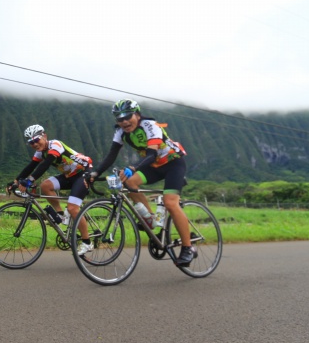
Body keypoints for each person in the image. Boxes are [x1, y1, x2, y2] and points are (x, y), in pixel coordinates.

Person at [87, 99, 196, 266]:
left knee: (170, 203)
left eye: (127, 116)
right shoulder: (120, 132)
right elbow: (111, 156)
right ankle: (150, 219)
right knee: (128, 182)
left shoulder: (150, 125)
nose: (123, 121)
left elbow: (152, 154)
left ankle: (188, 247)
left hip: (173, 163)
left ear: (137, 115)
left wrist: (133, 167)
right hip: (154, 166)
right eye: (119, 118)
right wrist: (95, 173)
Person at [10, 124, 95, 256]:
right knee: (45, 186)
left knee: (73, 208)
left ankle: (87, 242)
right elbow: (31, 166)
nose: (35, 144)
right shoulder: (39, 152)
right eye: (31, 142)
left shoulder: (55, 144)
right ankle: (60, 214)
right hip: (69, 176)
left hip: (83, 173)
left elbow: (46, 164)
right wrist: (15, 181)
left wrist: (29, 180)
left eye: (37, 140)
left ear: (44, 136)